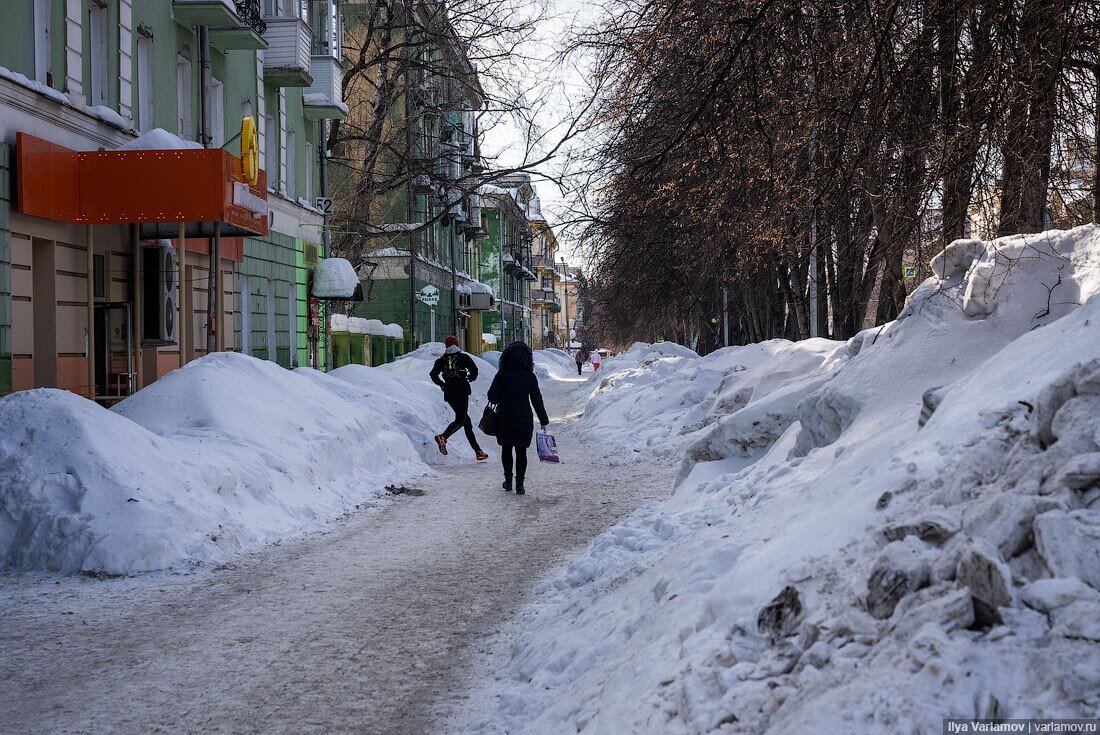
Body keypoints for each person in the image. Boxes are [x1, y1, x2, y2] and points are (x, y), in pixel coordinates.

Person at [487, 341, 550, 495]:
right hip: (524, 417)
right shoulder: (530, 376)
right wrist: (543, 420)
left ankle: (508, 482)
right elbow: (537, 400)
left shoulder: (501, 375)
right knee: (521, 452)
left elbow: (492, 397)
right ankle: (520, 484)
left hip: (504, 417)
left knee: (506, 449)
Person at [430, 336, 488, 461]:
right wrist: (470, 378)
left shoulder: (441, 360)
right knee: (461, 419)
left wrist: (442, 384)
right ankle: (443, 437)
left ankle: (478, 451)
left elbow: (433, 374)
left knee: (466, 422)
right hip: (462, 391)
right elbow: (474, 370)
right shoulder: (463, 357)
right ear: (456, 344)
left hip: (449, 393)